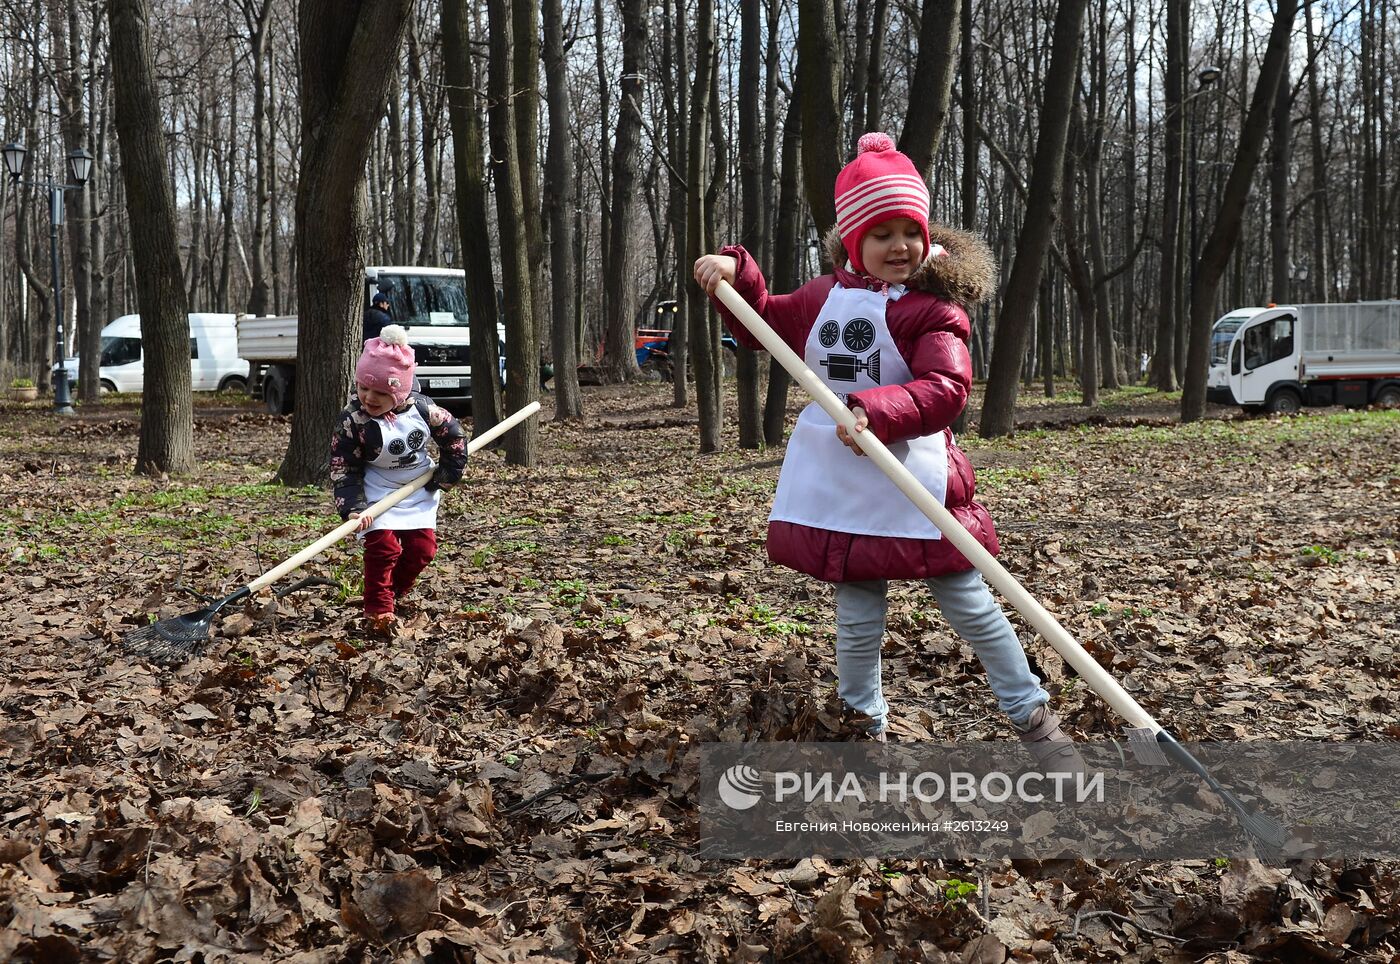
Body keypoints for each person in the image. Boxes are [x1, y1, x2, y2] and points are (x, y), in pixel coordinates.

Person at [694, 132, 1084, 770]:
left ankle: (1030, 714)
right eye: (882, 234)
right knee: (858, 615)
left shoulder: (933, 311)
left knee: (973, 605)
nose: (900, 246)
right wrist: (738, 271)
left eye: (911, 231)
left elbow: (947, 387)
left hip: (916, 475)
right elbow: (763, 319)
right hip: (846, 483)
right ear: (854, 241)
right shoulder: (822, 299)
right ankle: (863, 727)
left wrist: (876, 411)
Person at [330, 325, 468, 636]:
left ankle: (392, 593)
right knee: (384, 547)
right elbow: (343, 466)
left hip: (418, 485)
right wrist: (353, 506)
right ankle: (378, 609)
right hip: (376, 488)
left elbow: (455, 440)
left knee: (422, 550)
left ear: (400, 391)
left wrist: (446, 475)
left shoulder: (424, 410)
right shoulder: (353, 420)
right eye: (365, 388)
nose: (370, 397)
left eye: (381, 392)